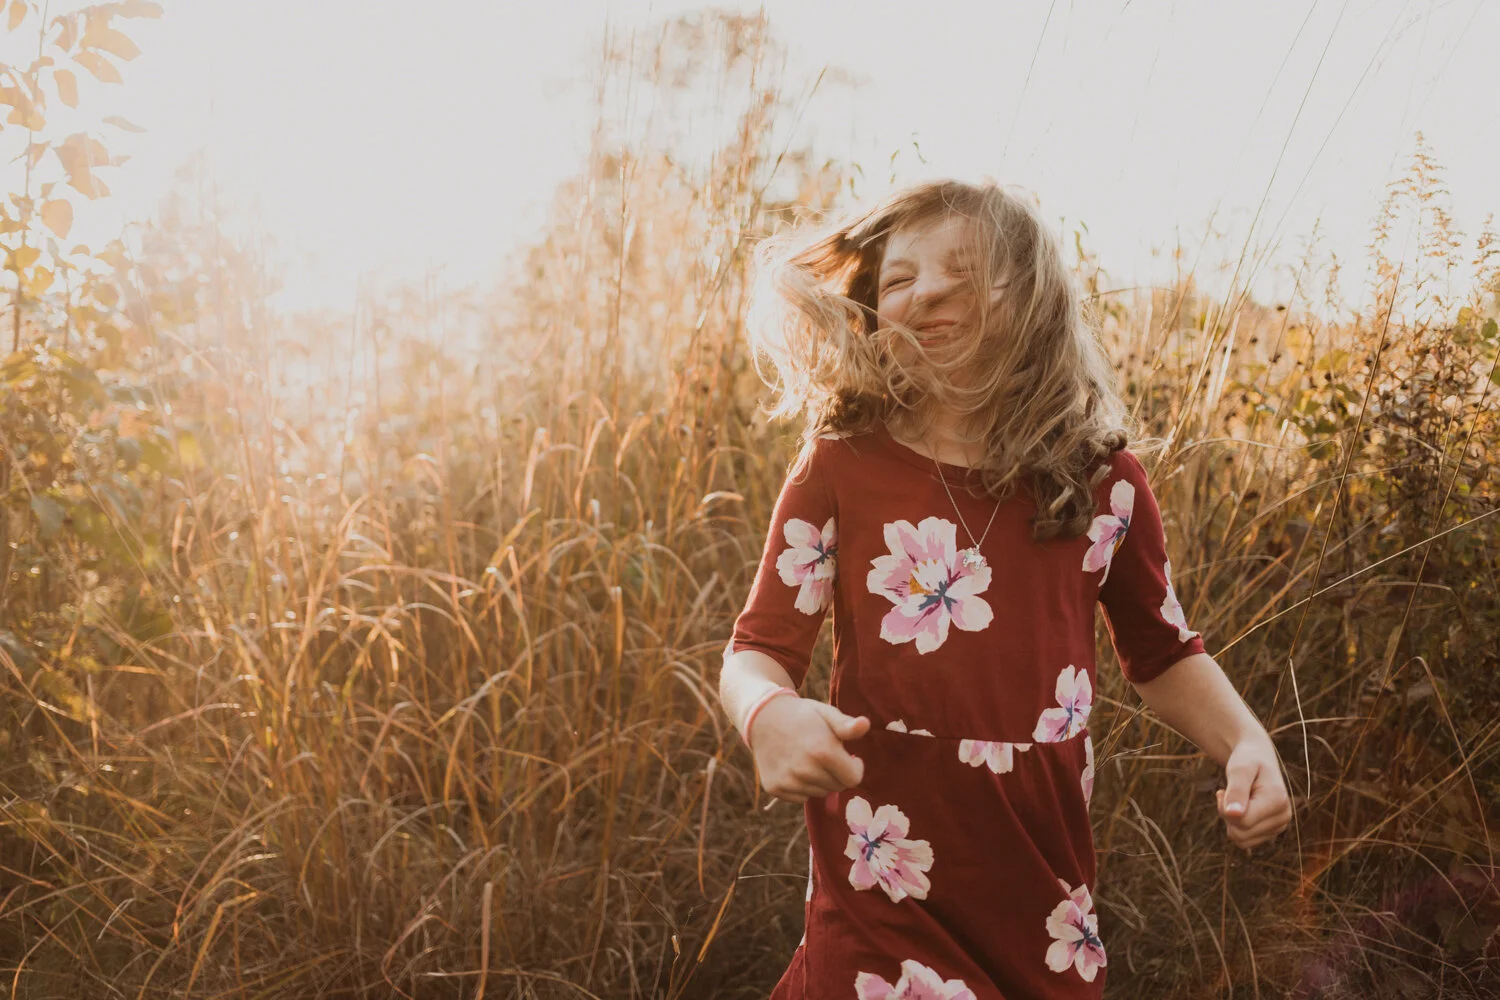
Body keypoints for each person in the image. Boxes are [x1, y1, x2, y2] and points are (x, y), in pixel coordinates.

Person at [716, 178, 1291, 999]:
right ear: (875, 310)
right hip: (880, 879)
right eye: (901, 276)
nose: (931, 289)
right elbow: (758, 651)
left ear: (1035, 299)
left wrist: (1245, 742)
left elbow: (1163, 652)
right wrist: (766, 713)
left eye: (968, 267)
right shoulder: (842, 463)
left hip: (1041, 905)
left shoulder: (1100, 482)